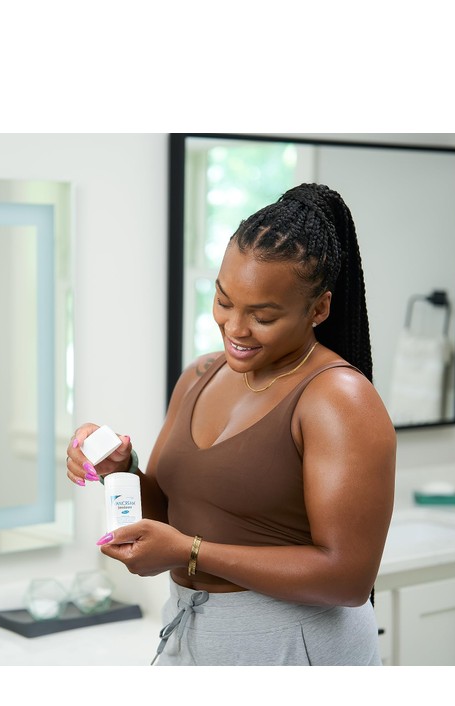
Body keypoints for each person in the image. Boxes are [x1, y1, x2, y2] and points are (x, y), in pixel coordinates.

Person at [66, 183, 396, 666]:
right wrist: (121, 468)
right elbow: (169, 514)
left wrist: (190, 552)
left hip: (293, 642)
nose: (235, 328)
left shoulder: (338, 399)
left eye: (263, 316)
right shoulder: (200, 375)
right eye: (224, 301)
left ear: (319, 309)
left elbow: (348, 579)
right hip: (191, 629)